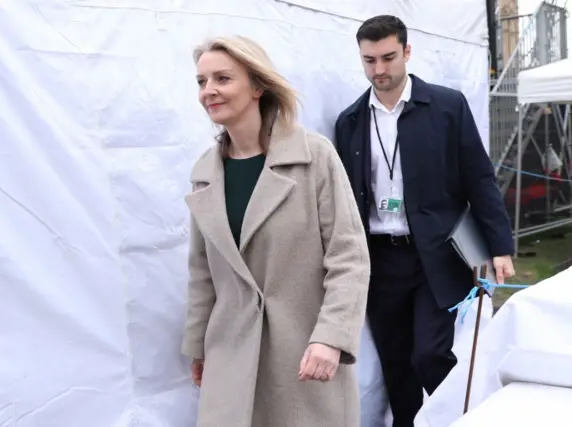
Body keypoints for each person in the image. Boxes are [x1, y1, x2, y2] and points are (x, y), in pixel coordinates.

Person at [334, 15, 516, 427]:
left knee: (430, 354)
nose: (379, 70)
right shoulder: (350, 122)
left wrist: (499, 246)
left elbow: (479, 179)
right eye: (369, 60)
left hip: (436, 256)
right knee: (396, 362)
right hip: (379, 261)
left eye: (387, 57)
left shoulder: (447, 106)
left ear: (407, 51)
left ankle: (454, 418)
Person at [182, 36, 371, 427]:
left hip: (304, 354)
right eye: (201, 81)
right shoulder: (205, 175)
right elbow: (203, 274)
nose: (209, 91)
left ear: (257, 86)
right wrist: (199, 348)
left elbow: (349, 256)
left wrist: (331, 337)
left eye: (222, 78)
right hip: (230, 355)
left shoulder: (313, 157)